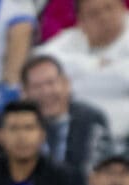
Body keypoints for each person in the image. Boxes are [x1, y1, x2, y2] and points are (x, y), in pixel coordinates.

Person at [37, 0, 129, 147]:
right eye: (94, 13)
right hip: (79, 136)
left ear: (123, 8)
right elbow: (39, 60)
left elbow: (125, 78)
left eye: (109, 8)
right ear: (81, 21)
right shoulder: (73, 39)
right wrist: (93, 64)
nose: (104, 17)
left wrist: (70, 81)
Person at [20, 55, 113, 181]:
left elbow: (96, 174)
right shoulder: (17, 126)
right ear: (24, 93)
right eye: (37, 86)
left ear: (66, 84)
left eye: (50, 83)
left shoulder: (91, 119)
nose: (46, 92)